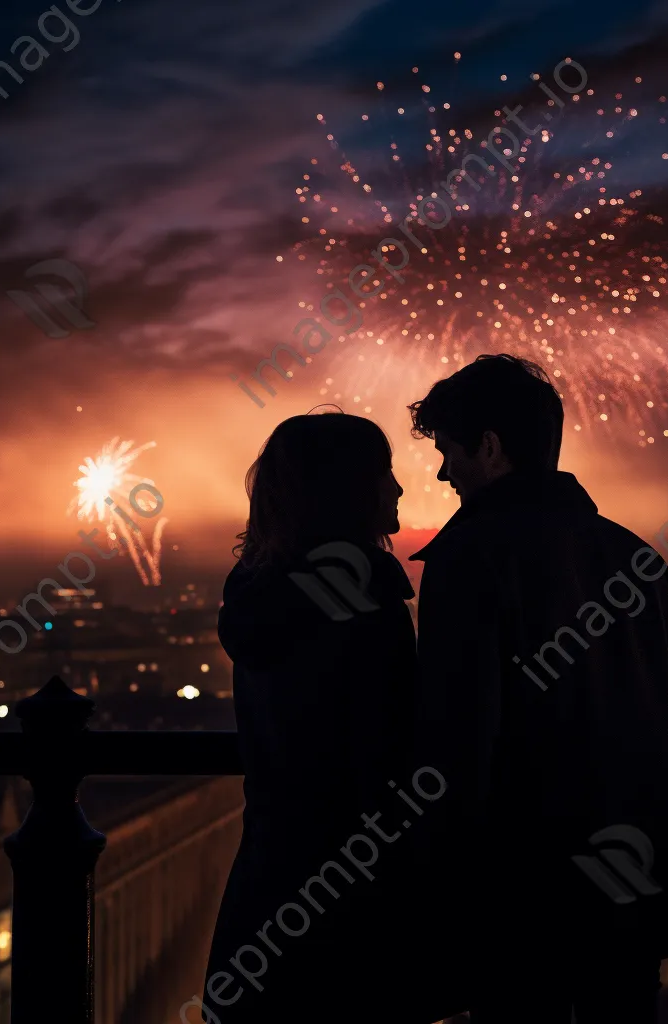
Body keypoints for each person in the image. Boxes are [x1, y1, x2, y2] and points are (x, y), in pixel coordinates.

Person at [405, 354, 668, 1024]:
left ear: (488, 446)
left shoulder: (471, 559)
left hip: (518, 894)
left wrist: (436, 881)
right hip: (630, 884)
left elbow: (457, 742)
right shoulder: (641, 561)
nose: (442, 472)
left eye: (449, 451)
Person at [204, 410, 438, 1023]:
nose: (398, 489)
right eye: (383, 474)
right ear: (348, 488)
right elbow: (386, 753)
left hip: (271, 871)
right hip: (357, 890)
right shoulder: (369, 598)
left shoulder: (257, 593)